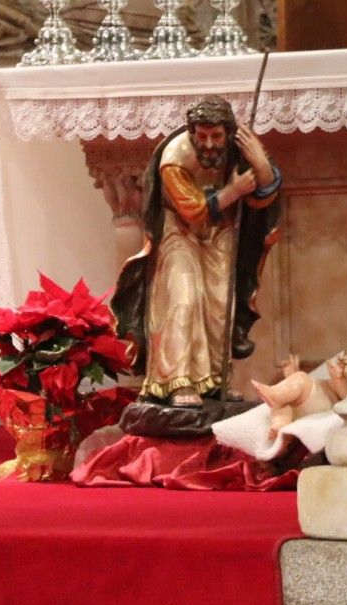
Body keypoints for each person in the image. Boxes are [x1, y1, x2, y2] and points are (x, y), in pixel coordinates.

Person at [112, 95, 282, 408]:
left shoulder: (237, 147)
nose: (209, 144)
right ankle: (175, 381)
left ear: (227, 132)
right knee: (183, 299)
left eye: (216, 136)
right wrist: (234, 191)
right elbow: (193, 210)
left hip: (220, 232)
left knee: (220, 306)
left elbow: (264, 194)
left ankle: (216, 380)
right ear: (192, 132)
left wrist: (258, 161)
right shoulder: (175, 157)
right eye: (201, 136)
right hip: (180, 232)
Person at [249, 338, 347, 437]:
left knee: (301, 379)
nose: (346, 358)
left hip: (321, 402)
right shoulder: (341, 377)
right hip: (309, 400)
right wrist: (291, 375)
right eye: (346, 353)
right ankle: (280, 424)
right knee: (283, 402)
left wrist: (339, 379)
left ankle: (275, 394)